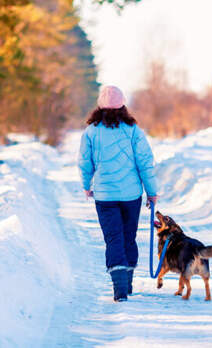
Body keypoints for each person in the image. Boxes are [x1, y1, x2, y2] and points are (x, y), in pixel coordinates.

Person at [78, 85, 158, 302]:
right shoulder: (133, 130)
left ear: (100, 107)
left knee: (113, 239)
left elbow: (86, 163)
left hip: (105, 196)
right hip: (131, 195)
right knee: (128, 237)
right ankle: (128, 282)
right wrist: (152, 192)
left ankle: (120, 289)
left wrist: (87, 185)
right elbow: (145, 163)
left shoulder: (91, 131)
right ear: (123, 105)